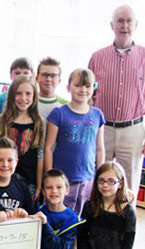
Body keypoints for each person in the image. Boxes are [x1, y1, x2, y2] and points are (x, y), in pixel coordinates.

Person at [88, 5, 145, 215]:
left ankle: (125, 234)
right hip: (102, 130)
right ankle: (97, 228)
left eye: (129, 21)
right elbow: (88, 95)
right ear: (112, 25)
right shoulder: (97, 57)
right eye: (120, 21)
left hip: (133, 130)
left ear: (136, 25)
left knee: (128, 185)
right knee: (97, 181)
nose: (125, 25)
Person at [44, 68, 105, 214]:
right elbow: (48, 148)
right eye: (78, 85)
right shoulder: (58, 114)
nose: (83, 90)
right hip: (62, 180)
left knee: (84, 219)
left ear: (93, 88)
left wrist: (100, 176)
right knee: (61, 217)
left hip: (88, 178)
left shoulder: (97, 114)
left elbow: (100, 148)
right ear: (68, 87)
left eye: (87, 86)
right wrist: (49, 176)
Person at [0, 75, 45, 200]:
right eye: (19, 93)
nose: (23, 98)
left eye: (28, 94)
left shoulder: (39, 122)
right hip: (4, 179)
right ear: (12, 96)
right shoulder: (1, 121)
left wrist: (39, 186)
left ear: (34, 96)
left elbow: (40, 155)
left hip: (30, 182)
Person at [0, 57, 35, 123]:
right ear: (10, 75)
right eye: (17, 73)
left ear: (33, 76)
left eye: (25, 73)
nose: (21, 76)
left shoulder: (35, 99)